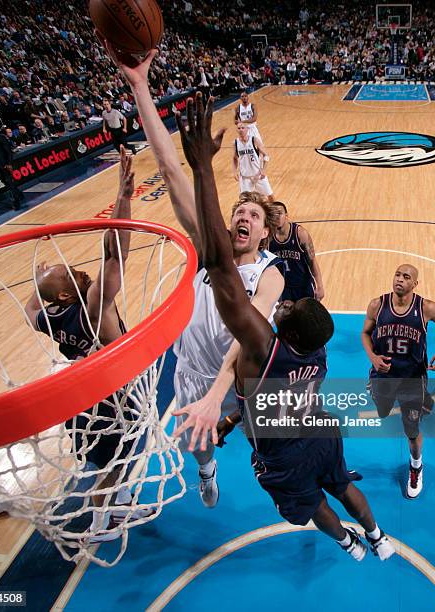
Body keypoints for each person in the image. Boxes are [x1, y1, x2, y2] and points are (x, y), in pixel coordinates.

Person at [175, 93, 395, 562]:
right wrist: (232, 416)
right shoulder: (314, 357)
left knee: (313, 504)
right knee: (340, 484)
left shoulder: (262, 344)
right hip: (320, 430)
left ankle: (346, 543)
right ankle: (377, 537)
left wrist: (200, 170)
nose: (282, 308)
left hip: (285, 451)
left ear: (286, 332)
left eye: (286, 313)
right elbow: (266, 399)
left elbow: (218, 265)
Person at [97, 41, 284, 508]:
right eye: (238, 210)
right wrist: (139, 85)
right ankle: (206, 470)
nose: (243, 216)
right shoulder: (209, 251)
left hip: (239, 379)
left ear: (263, 233)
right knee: (196, 448)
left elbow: (247, 337)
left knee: (267, 439)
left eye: (253, 215)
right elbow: (171, 169)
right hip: (192, 375)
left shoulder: (270, 274)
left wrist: (217, 395)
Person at [24, 147, 152, 541]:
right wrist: (124, 196)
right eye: (71, 276)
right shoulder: (93, 309)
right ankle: (101, 525)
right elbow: (115, 253)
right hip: (107, 401)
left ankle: (122, 504)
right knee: (110, 466)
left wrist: (38, 276)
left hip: (81, 399)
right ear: (65, 295)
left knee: (118, 458)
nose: (80, 273)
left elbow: (29, 311)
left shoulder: (53, 317)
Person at [361, 265, 435, 498]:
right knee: (382, 412)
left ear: (415, 284)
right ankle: (425, 401)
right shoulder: (377, 305)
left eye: (406, 277)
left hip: (412, 379)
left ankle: (416, 466)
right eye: (397, 274)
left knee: (411, 430)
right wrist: (373, 357)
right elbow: (365, 333)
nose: (400, 280)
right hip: (383, 376)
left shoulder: (426, 308)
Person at [269, 202, 325, 301]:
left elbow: (312, 261)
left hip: (303, 286)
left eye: (279, 213)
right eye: (273, 214)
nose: (276, 217)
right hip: (283, 288)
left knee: (307, 316)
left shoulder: (300, 234)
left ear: (286, 215)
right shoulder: (268, 238)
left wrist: (320, 286)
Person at [233, 123, 274, 202]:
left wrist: (263, 170)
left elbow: (266, 156)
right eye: (239, 128)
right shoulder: (235, 143)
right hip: (245, 178)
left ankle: (276, 213)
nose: (241, 130)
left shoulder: (254, 140)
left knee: (270, 196)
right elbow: (234, 158)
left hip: (258, 175)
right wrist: (234, 171)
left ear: (247, 129)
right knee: (244, 201)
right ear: (236, 130)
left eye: (243, 128)